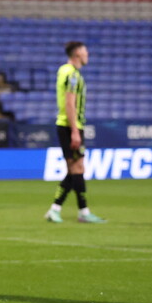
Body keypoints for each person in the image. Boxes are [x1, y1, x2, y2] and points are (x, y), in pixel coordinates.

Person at [44, 42, 106, 224]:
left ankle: (56, 209)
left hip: (68, 125)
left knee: (75, 169)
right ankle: (82, 212)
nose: (88, 54)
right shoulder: (71, 74)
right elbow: (70, 103)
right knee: (77, 168)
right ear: (78, 53)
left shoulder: (66, 71)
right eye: (85, 50)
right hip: (70, 125)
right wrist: (74, 131)